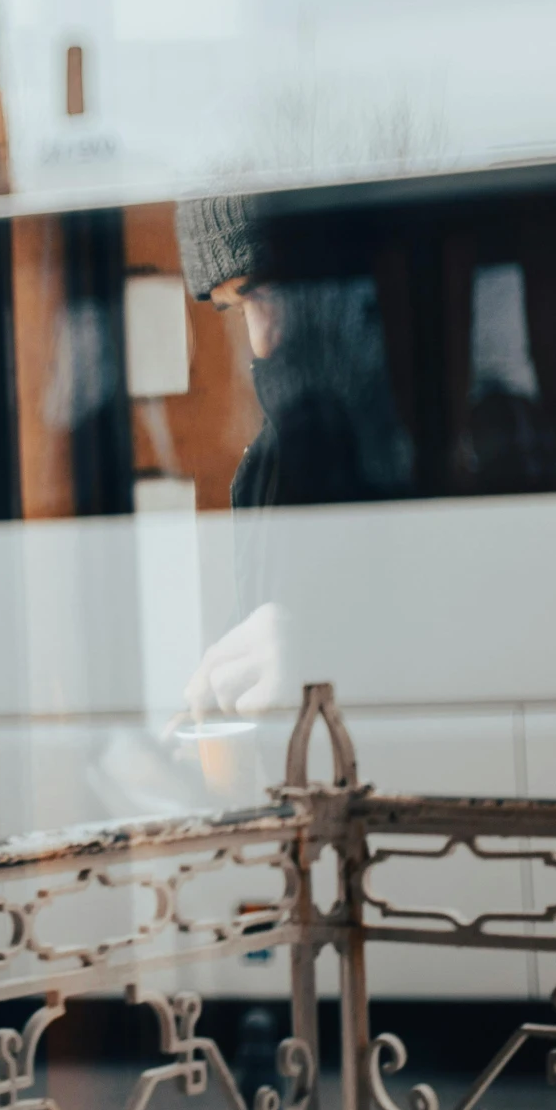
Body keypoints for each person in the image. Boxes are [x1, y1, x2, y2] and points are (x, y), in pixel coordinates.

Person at [174, 191, 411, 721]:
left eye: (269, 292)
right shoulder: (262, 469)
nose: (261, 339)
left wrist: (313, 645)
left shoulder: (433, 439)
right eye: (236, 308)